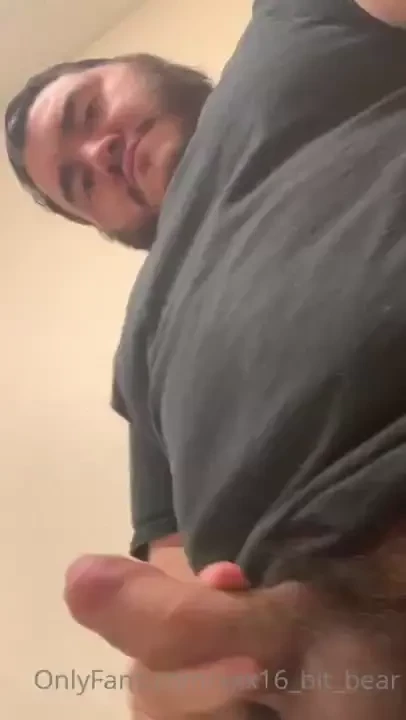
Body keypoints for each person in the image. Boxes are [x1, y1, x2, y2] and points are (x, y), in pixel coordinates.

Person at [6, 0, 406, 717]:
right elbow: (173, 566)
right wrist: (185, 671)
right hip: (319, 642)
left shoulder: (290, 28)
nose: (97, 156)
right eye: (79, 185)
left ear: (140, 67)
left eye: (87, 112)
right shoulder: (139, 350)